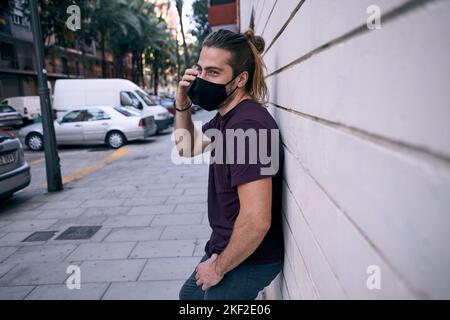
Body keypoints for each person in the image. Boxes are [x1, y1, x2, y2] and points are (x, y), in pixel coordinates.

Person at [175, 28, 284, 300]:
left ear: (240, 79)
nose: (202, 79)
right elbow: (186, 147)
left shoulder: (248, 126)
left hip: (249, 257)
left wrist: (218, 267)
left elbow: (257, 221)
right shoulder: (228, 116)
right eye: (200, 70)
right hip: (225, 246)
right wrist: (181, 102)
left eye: (213, 72)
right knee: (188, 297)